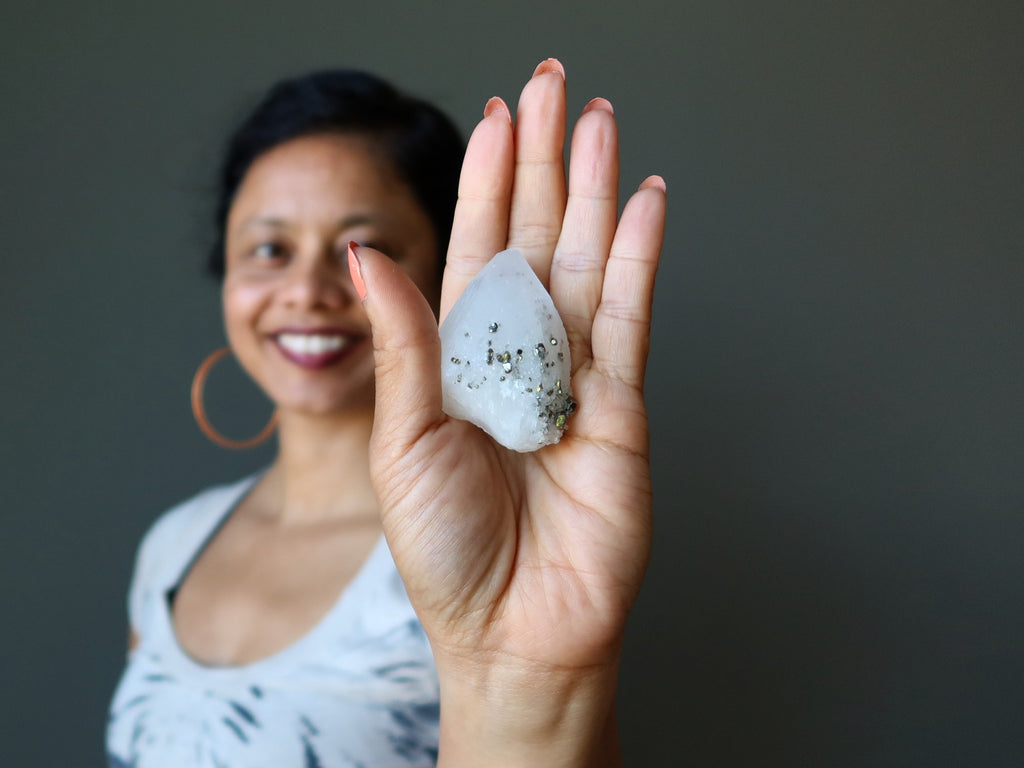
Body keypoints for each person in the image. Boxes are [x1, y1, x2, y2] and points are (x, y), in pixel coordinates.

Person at [107, 58, 666, 768]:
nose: (306, 290)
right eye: (270, 249)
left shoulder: (485, 544)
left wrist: (525, 684)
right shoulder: (173, 546)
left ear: (437, 277)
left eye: (358, 250)